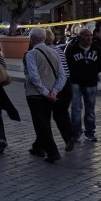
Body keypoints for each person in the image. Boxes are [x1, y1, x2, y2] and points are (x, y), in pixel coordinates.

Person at [23, 27, 67, 163]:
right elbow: (63, 75)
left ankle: (52, 152)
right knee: (44, 121)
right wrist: (54, 91)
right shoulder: (55, 53)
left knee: (40, 124)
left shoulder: (31, 54)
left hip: (35, 94)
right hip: (50, 94)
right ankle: (38, 147)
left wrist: (45, 92)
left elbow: (33, 77)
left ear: (32, 39)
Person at [65, 27, 101, 143]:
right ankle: (76, 133)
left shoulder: (96, 49)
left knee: (90, 108)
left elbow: (100, 64)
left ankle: (90, 132)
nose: (89, 38)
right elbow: (67, 63)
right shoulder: (73, 49)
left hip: (91, 82)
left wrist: (93, 73)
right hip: (75, 82)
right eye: (86, 36)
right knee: (76, 108)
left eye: (90, 35)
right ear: (80, 37)